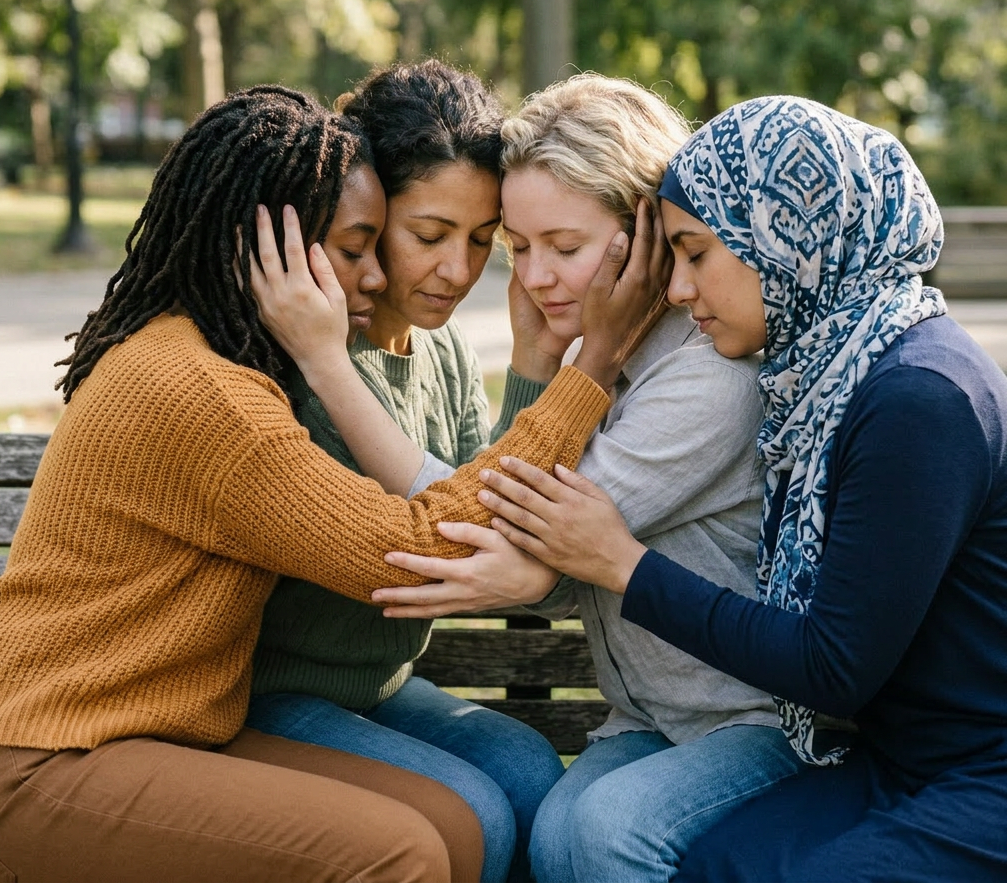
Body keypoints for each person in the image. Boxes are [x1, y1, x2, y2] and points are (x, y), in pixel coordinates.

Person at [0, 85, 662, 883]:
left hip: (166, 725)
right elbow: (414, 545)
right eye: (356, 248)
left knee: (476, 809)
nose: (377, 277)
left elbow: (468, 499)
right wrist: (593, 368)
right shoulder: (206, 390)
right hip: (55, 748)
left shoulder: (222, 364)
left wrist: (536, 367)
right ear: (266, 249)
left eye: (484, 240)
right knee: (413, 847)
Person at [470, 95, 1007, 882]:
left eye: (696, 254)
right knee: (703, 862)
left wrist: (622, 563)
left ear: (784, 241)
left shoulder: (918, 397)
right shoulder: (827, 378)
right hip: (896, 759)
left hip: (979, 772)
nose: (680, 290)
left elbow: (833, 669)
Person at [318, 74, 821, 882]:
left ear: (648, 236)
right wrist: (540, 367)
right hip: (646, 718)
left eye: (566, 247)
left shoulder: (707, 380)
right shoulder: (601, 360)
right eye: (521, 248)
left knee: (596, 834)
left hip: (754, 719)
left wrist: (556, 373)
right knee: (554, 833)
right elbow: (542, 570)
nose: (535, 277)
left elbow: (508, 538)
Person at [246, 61, 564, 883]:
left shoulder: (445, 351)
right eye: (430, 235)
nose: (459, 271)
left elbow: (486, 506)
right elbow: (443, 539)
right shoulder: (294, 360)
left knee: (529, 771)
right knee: (477, 812)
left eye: (481, 241)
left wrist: (530, 360)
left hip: (380, 685)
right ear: (369, 209)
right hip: (270, 696)